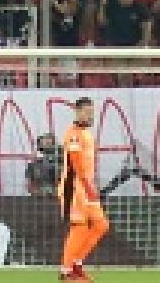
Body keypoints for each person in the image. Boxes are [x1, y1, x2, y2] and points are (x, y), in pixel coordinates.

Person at [57, 96, 107, 281]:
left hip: (86, 187)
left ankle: (76, 263)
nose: (90, 116)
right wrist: (87, 186)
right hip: (74, 188)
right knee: (79, 227)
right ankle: (66, 270)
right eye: (87, 112)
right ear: (77, 112)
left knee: (101, 225)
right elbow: (75, 163)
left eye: (92, 112)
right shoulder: (73, 134)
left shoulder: (86, 133)